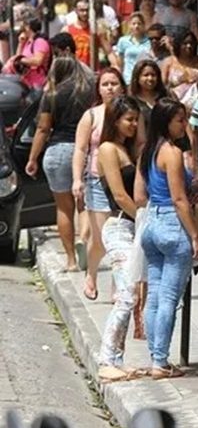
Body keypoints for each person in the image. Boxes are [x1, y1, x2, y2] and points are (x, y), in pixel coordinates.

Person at [140, 98, 198, 379]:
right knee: (168, 297)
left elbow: (149, 191)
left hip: (152, 221)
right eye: (180, 120)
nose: (185, 125)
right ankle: (160, 361)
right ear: (166, 122)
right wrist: (196, 236)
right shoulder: (172, 152)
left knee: (155, 295)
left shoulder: (149, 150)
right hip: (172, 223)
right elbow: (179, 200)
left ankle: (155, 357)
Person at [25, 57, 95, 271]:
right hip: (83, 150)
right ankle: (83, 239)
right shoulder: (87, 94)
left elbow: (43, 129)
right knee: (84, 203)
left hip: (57, 151)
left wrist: (32, 158)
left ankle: (71, 260)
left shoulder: (52, 95)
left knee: (64, 208)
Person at [95, 96, 144, 383]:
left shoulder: (129, 149)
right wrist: (145, 218)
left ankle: (117, 359)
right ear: (115, 121)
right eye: (129, 119)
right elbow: (119, 195)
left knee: (131, 295)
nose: (134, 125)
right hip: (118, 227)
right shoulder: (107, 149)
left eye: (137, 120)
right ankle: (106, 360)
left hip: (132, 227)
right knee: (126, 295)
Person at [73, 68, 126, 300]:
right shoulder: (91, 116)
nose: (110, 88)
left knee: (121, 237)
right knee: (103, 238)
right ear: (98, 89)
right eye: (105, 84)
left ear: (122, 86)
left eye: (114, 83)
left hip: (123, 180)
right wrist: (77, 179)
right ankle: (91, 274)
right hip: (97, 181)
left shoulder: (129, 114)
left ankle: (118, 285)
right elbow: (80, 149)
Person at [63, 0, 110, 69]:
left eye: (87, 10)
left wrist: (116, 67)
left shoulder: (96, 30)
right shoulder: (67, 30)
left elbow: (109, 52)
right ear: (75, 10)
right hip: (74, 71)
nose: (85, 13)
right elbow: (60, 55)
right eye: (81, 10)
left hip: (91, 71)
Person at [160, 31, 198, 102]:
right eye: (185, 43)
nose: (189, 46)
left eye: (191, 43)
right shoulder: (168, 62)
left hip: (197, 103)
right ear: (178, 44)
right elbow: (162, 85)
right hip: (174, 102)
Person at [110, 15, 152, 86]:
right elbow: (120, 62)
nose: (136, 26)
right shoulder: (123, 41)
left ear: (143, 25)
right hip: (128, 78)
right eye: (134, 24)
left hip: (144, 78)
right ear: (129, 25)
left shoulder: (149, 41)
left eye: (139, 23)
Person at [14, 16, 51, 91]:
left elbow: (38, 61)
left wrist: (21, 60)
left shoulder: (40, 42)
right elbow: (17, 58)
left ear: (28, 27)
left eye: (23, 26)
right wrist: (20, 43)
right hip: (28, 83)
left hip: (38, 84)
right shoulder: (28, 42)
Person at [130, 59, 169, 125]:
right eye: (146, 75)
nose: (150, 78)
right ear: (137, 78)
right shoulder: (131, 100)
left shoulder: (166, 95)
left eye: (153, 75)